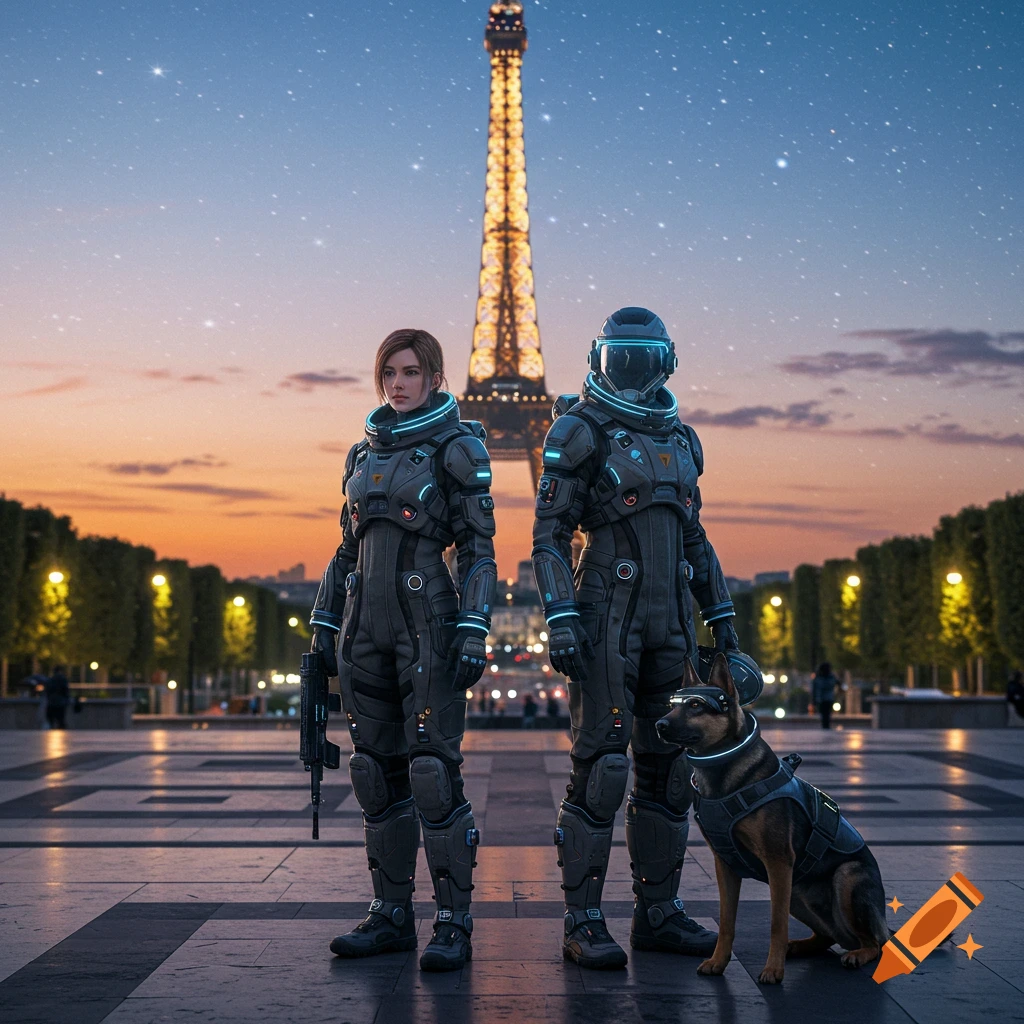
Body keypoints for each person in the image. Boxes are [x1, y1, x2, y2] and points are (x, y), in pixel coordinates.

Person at [532, 307, 735, 968]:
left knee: (670, 772)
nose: (629, 371)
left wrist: (724, 624)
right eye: (619, 359)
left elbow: (695, 540)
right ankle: (583, 920)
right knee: (602, 767)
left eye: (640, 359)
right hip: (607, 616)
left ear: (665, 364)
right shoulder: (578, 429)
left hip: (668, 620)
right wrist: (562, 615)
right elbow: (549, 535)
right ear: (599, 361)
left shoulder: (682, 440)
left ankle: (658, 913)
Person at [309, 328, 496, 972]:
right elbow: (346, 548)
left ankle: (452, 922)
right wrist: (323, 621)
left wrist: (473, 625)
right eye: (389, 372)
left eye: (411, 371)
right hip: (364, 625)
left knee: (433, 776)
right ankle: (390, 915)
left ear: (436, 377)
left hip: (427, 623)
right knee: (373, 774)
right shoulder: (361, 454)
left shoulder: (458, 447)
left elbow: (478, 550)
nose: (398, 383)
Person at [811, 663, 839, 729]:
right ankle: (825, 725)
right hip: (825, 698)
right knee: (826, 712)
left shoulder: (820, 678)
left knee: (826, 712)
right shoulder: (828, 677)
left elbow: (815, 689)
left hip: (825, 698)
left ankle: (826, 725)